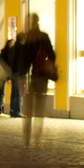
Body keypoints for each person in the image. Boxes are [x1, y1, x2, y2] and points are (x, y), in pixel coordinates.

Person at [18, 14, 55, 147]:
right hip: (41, 77)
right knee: (39, 111)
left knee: (27, 111)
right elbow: (52, 55)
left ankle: (26, 140)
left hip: (28, 78)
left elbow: (23, 60)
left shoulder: (26, 37)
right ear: (38, 22)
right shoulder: (43, 37)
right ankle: (37, 140)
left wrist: (21, 77)